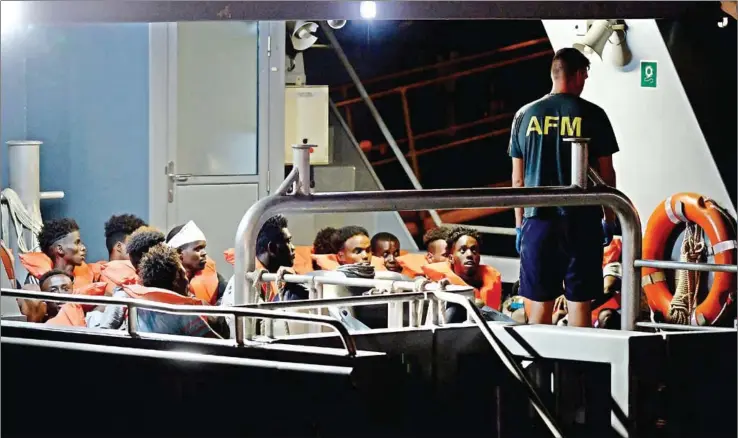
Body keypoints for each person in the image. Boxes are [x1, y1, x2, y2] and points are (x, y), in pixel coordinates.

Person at [509, 47, 619, 327]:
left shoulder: (524, 115)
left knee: (539, 310)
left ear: (554, 73)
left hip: (538, 221)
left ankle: (539, 371)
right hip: (582, 222)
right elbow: (606, 176)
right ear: (579, 74)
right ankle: (578, 369)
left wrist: (520, 226)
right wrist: (610, 218)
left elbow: (518, 181)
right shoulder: (594, 115)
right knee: (580, 307)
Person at [422, 226, 503, 321]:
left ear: (479, 257)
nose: (469, 254)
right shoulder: (438, 287)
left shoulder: (489, 281)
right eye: (463, 250)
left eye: (474, 250)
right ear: (451, 258)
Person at [19, 218, 100, 287]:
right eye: (77, 242)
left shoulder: (89, 280)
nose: (83, 248)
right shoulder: (36, 282)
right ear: (60, 249)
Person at [166, 221, 228, 305]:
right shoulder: (164, 281)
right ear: (179, 252)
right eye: (198, 249)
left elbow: (219, 316)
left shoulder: (218, 282)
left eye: (204, 248)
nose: (204, 253)